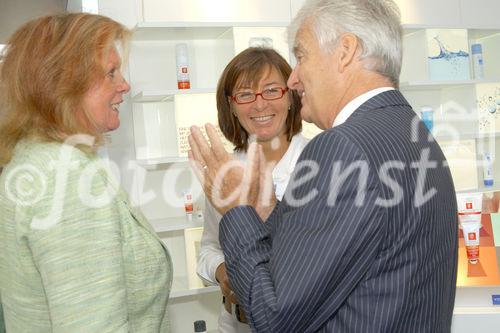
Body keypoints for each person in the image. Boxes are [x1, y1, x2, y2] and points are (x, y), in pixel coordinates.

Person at [188, 0, 458, 332]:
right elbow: (340, 256)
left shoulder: (341, 147)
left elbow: (275, 316)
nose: (294, 79)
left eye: (300, 56)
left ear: (345, 51)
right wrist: (270, 213)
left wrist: (237, 211)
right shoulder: (411, 131)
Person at [0, 13, 173, 332]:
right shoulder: (66, 179)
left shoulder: (33, 158)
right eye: (111, 72)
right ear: (63, 84)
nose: (124, 85)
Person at [196, 47, 309, 332]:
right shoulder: (225, 170)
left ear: (291, 97)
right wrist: (221, 272)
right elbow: (209, 247)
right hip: (235, 324)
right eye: (245, 94)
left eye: (272, 90)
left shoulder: (318, 162)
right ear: (231, 106)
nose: (259, 105)